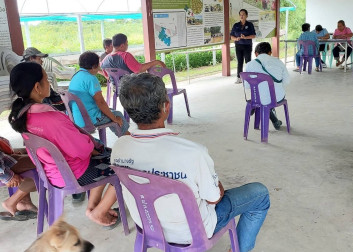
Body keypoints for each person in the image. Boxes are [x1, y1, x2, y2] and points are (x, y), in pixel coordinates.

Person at [111, 73, 270, 252]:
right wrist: (216, 184)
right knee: (260, 194)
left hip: (148, 226)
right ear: (166, 106)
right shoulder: (193, 153)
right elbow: (214, 198)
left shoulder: (119, 147)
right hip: (192, 233)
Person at [8, 62, 121, 227]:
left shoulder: (23, 117)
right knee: (123, 165)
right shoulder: (51, 118)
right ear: (37, 87)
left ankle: (92, 207)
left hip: (52, 173)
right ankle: (98, 211)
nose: (49, 83)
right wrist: (90, 144)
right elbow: (82, 150)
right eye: (46, 80)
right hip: (74, 173)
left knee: (106, 156)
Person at [69, 51, 130, 137]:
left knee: (111, 111)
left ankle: (125, 135)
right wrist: (114, 118)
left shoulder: (75, 76)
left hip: (77, 118)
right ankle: (126, 137)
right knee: (117, 114)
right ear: (94, 66)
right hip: (90, 118)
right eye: (98, 65)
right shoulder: (91, 78)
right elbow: (100, 102)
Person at [245, 42, 290, 130]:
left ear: (256, 54)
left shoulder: (249, 64)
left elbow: (247, 86)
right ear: (270, 52)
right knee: (268, 98)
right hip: (277, 96)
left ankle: (255, 106)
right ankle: (274, 119)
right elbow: (287, 81)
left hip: (257, 97)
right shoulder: (278, 62)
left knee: (262, 98)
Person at [0, 136, 37, 221]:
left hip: (4, 159)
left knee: (30, 153)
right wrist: (7, 176)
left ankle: (24, 203)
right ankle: (12, 202)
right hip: (3, 168)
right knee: (44, 162)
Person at [100, 33, 166, 78]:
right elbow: (139, 69)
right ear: (122, 45)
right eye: (127, 43)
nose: (127, 45)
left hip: (117, 88)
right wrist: (156, 62)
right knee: (156, 82)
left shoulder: (104, 61)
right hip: (132, 88)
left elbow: (107, 76)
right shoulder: (125, 56)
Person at [21, 47, 66, 112]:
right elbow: (49, 95)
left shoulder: (23, 74)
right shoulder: (35, 76)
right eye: (39, 59)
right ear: (31, 58)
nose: (42, 61)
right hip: (44, 106)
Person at [230, 9, 256, 84]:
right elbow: (231, 36)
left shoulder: (250, 24)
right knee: (239, 62)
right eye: (240, 15)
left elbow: (253, 35)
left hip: (247, 45)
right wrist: (236, 38)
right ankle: (239, 77)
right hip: (238, 45)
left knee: (248, 61)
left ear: (246, 15)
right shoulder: (236, 25)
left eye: (243, 14)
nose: (242, 16)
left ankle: (249, 78)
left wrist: (245, 37)